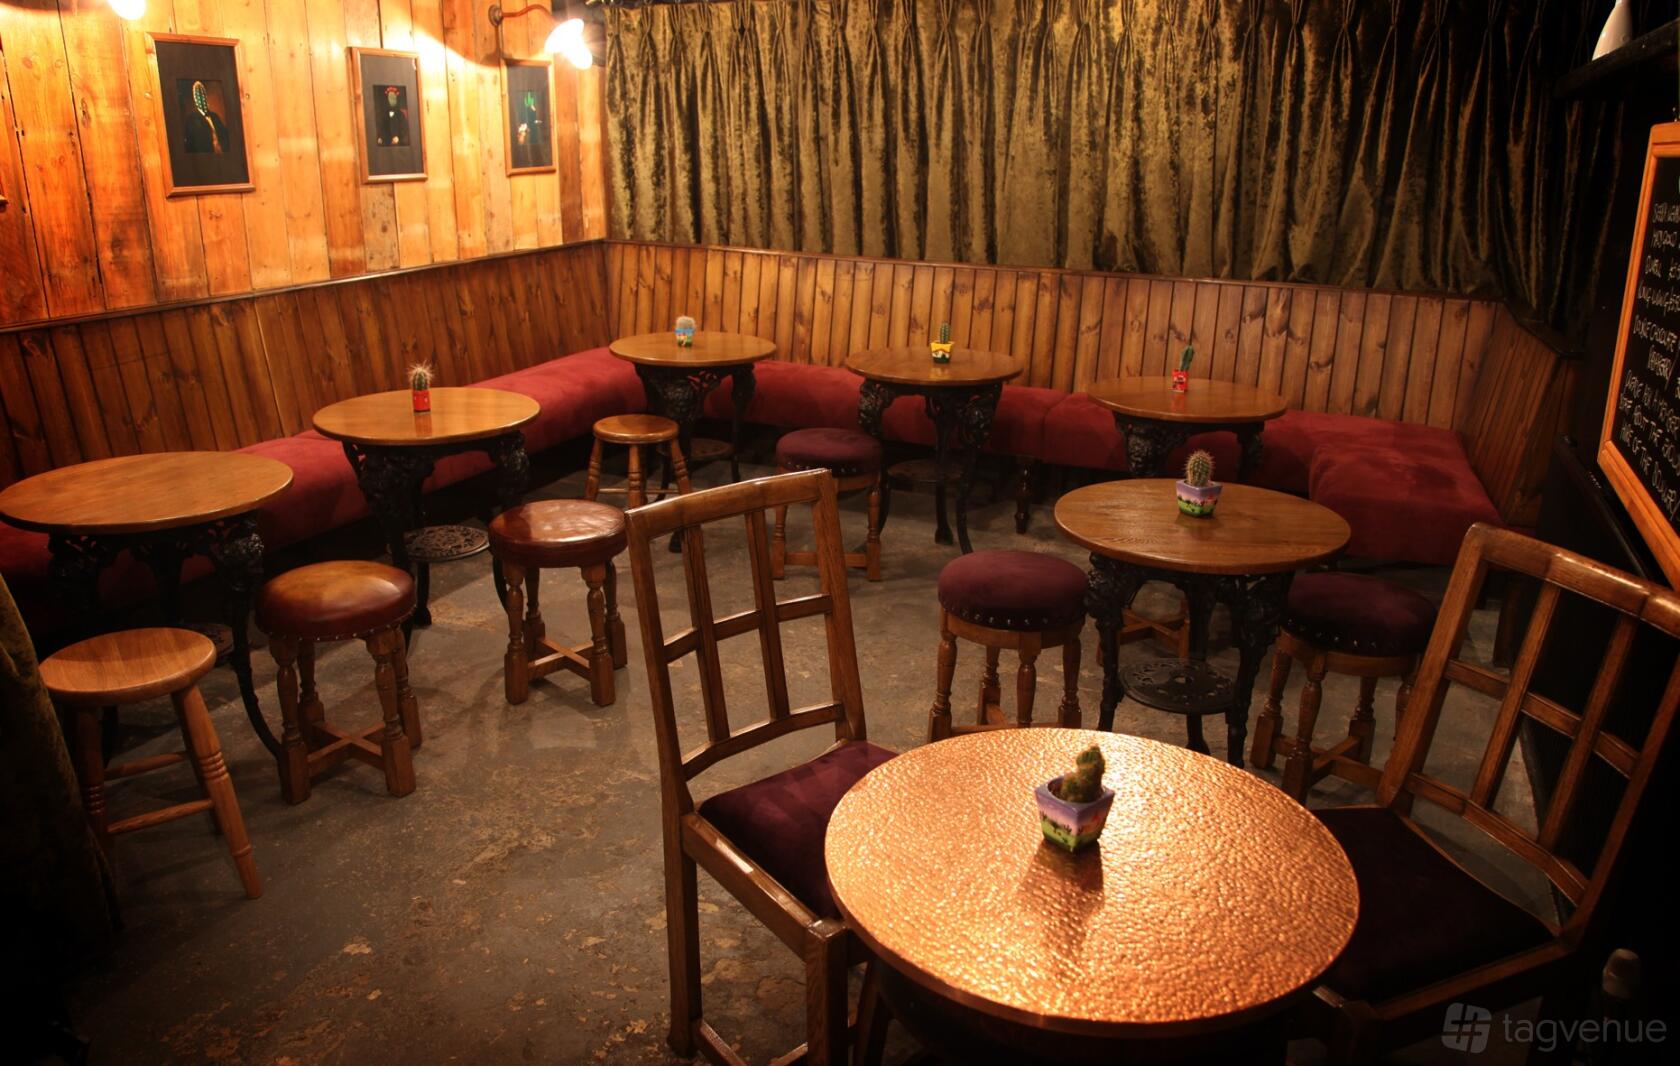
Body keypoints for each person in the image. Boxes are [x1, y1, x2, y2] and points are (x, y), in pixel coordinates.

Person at [181, 79, 228, 154]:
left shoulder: (215, 116)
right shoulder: (191, 120)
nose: (202, 99)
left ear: (206, 97)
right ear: (195, 100)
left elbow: (225, 135)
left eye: (203, 95)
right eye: (198, 96)